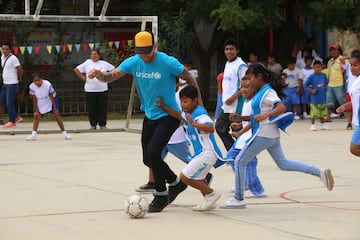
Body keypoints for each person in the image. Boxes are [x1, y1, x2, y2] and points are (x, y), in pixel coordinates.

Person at [87, 30, 201, 213]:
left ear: (155, 47)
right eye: (142, 53)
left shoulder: (167, 62)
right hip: (149, 115)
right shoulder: (133, 62)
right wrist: (98, 74)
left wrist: (198, 107)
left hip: (168, 115)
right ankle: (175, 182)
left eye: (148, 52)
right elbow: (109, 77)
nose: (146, 57)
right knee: (147, 158)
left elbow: (189, 78)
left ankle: (161, 194)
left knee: (154, 153)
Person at [220, 64, 334, 209]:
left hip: (264, 134)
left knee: (239, 161)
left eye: (250, 78)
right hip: (270, 135)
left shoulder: (267, 92)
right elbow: (256, 116)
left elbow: (281, 107)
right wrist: (241, 117)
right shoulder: (261, 92)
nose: (248, 82)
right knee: (284, 164)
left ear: (259, 77)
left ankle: (238, 199)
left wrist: (266, 114)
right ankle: (320, 172)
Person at [157, 85, 223, 211]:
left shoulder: (199, 113)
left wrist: (193, 124)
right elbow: (178, 114)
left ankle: (212, 194)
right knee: (199, 178)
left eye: (186, 101)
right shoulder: (188, 113)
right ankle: (209, 200)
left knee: (184, 177)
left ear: (195, 101)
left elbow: (210, 128)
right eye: (181, 101)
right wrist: (163, 107)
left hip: (207, 153)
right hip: (201, 153)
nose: (183, 104)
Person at [226, 77, 267, 198]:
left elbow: (254, 121)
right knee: (231, 157)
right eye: (241, 87)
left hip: (250, 136)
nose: (243, 90)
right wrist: (239, 124)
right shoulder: (246, 101)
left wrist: (240, 132)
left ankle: (258, 190)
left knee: (249, 161)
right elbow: (247, 119)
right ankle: (243, 182)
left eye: (246, 87)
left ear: (254, 88)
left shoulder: (254, 102)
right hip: (245, 136)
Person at [215, 39, 247, 151]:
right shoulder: (227, 63)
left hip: (237, 104)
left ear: (237, 50)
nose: (229, 52)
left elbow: (245, 86)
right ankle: (233, 151)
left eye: (231, 49)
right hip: (226, 104)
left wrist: (233, 98)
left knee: (237, 131)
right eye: (227, 49)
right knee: (219, 127)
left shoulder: (241, 65)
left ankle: (241, 155)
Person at [74, 48, 115, 130]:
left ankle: (102, 124)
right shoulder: (87, 63)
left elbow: (113, 70)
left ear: (99, 55)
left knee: (102, 107)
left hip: (102, 89)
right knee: (91, 108)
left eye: (95, 54)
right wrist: (84, 78)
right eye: (92, 54)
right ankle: (93, 124)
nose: (94, 56)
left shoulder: (104, 63)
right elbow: (76, 70)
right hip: (90, 89)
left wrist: (106, 76)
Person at [26, 72, 71, 141]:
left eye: (38, 80)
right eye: (35, 81)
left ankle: (65, 133)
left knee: (56, 115)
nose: (37, 82)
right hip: (40, 100)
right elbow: (34, 99)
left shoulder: (47, 84)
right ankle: (33, 135)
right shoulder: (32, 87)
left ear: (42, 79)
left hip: (50, 99)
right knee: (36, 116)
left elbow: (51, 97)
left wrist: (55, 108)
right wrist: (35, 110)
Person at [336, 50, 360, 156]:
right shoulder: (356, 79)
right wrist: (345, 106)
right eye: (351, 65)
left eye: (355, 65)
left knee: (354, 149)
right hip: (358, 120)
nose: (352, 68)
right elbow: (356, 99)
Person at [0, 42, 23, 128]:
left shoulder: (13, 58)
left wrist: (19, 78)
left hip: (12, 83)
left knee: (9, 102)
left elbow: (20, 69)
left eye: (6, 49)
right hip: (5, 83)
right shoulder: (2, 57)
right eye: (3, 49)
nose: (5, 51)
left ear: (10, 50)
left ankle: (12, 121)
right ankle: (16, 116)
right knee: (2, 101)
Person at [304, 60, 329, 131]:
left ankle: (322, 124)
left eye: (319, 67)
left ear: (321, 67)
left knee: (323, 112)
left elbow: (326, 83)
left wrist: (326, 88)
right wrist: (312, 90)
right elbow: (305, 85)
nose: (317, 69)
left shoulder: (324, 75)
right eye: (315, 67)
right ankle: (312, 124)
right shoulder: (312, 76)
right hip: (315, 98)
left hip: (323, 97)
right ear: (313, 68)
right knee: (314, 112)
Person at [326, 44, 346, 122]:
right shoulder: (330, 61)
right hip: (330, 84)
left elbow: (344, 72)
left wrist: (344, 84)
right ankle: (328, 117)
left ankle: (352, 116)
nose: (333, 52)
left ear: (339, 51)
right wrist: (328, 82)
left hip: (339, 84)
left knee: (343, 101)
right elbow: (329, 73)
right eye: (331, 50)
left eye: (335, 50)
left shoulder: (342, 59)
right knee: (328, 101)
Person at [300, 55, 315, 119]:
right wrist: (301, 88)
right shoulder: (302, 70)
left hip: (313, 86)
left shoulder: (314, 70)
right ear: (305, 62)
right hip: (305, 87)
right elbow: (301, 80)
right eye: (308, 61)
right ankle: (304, 113)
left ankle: (313, 112)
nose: (310, 63)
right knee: (304, 101)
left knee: (313, 100)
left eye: (311, 61)